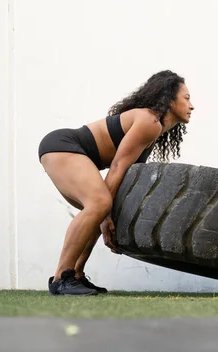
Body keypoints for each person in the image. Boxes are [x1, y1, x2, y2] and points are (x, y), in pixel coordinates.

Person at [37, 70, 194, 296]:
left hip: (66, 150)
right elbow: (118, 167)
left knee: (97, 209)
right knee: (100, 205)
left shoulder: (154, 129)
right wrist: (106, 215)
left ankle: (76, 274)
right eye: (186, 98)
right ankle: (62, 277)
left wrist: (105, 216)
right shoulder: (149, 121)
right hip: (62, 145)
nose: (192, 105)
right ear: (169, 99)